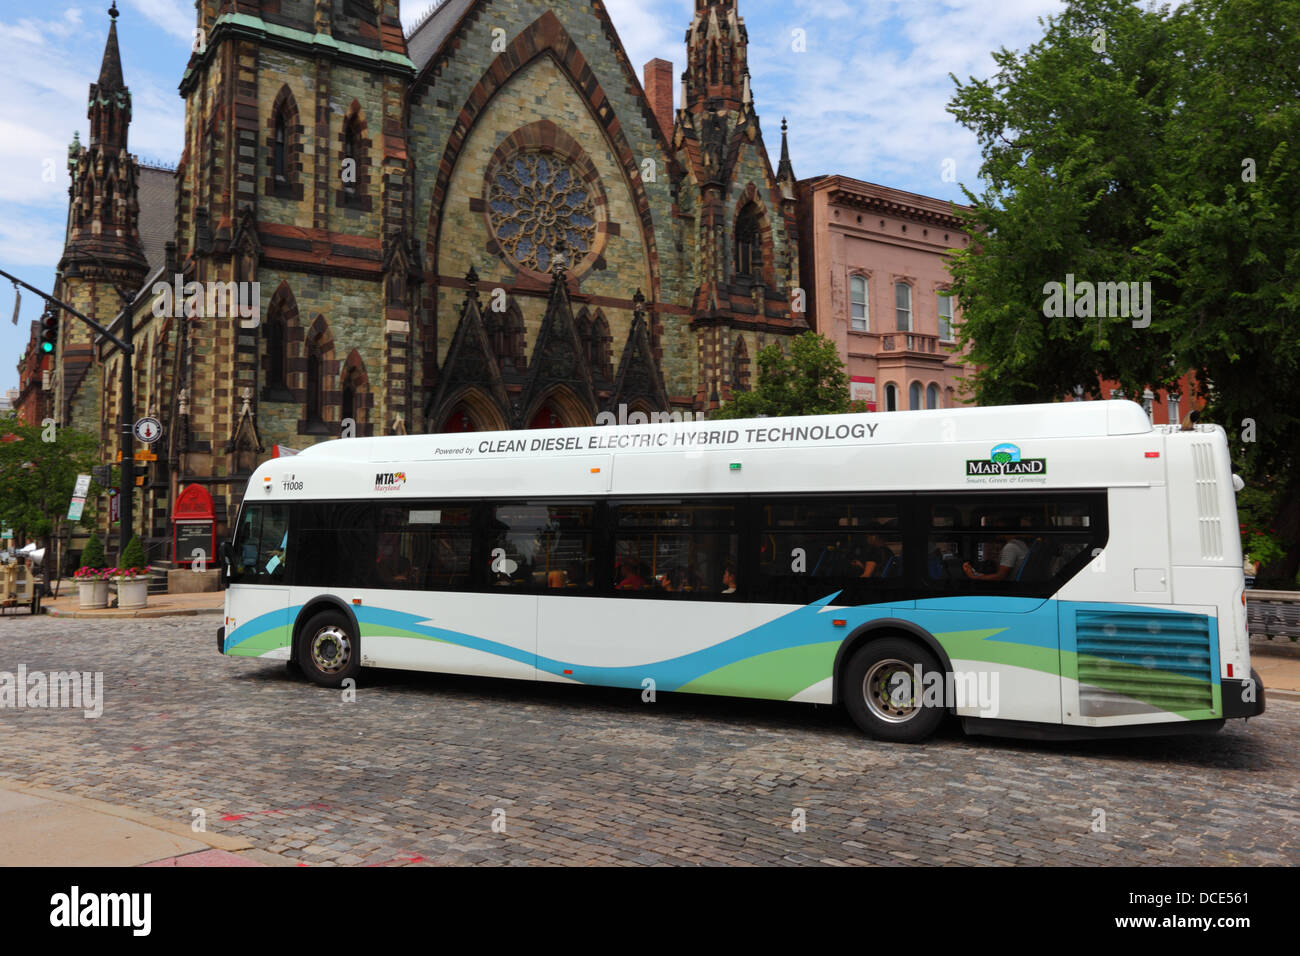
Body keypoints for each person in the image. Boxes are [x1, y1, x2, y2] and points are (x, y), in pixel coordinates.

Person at [964, 532, 1030, 581]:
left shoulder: (1010, 547)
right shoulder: (1020, 544)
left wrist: (974, 577)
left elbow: (1000, 576)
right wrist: (982, 575)